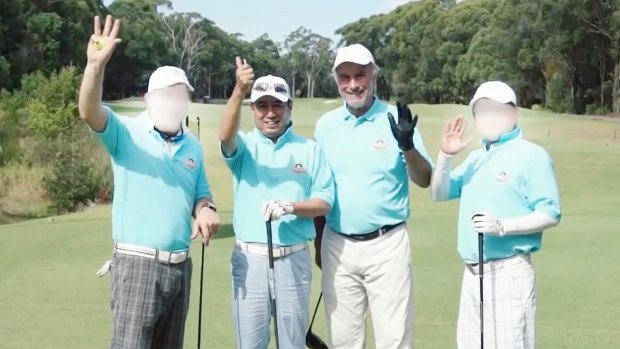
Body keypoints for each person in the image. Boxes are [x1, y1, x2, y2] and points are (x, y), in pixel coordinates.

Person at [78, 15, 221, 348]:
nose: (173, 102)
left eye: (179, 95)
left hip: (180, 267)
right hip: (138, 264)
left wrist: (205, 209)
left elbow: (201, 194)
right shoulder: (126, 133)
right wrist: (95, 67)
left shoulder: (193, 147)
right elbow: (89, 111)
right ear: (148, 99)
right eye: (165, 94)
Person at [313, 43, 433, 349]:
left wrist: (407, 146)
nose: (353, 84)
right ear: (337, 80)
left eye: (360, 75)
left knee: (394, 339)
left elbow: (424, 178)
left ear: (374, 75)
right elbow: (318, 186)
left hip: (387, 244)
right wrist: (318, 240)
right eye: (345, 77)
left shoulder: (398, 119)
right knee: (343, 340)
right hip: (336, 243)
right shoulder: (325, 126)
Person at [430, 81, 561, 349]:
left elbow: (550, 213)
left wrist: (502, 226)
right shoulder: (477, 157)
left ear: (514, 114)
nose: (489, 117)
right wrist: (445, 156)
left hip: (508, 272)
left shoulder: (532, 156)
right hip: (472, 272)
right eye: (482, 110)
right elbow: (439, 193)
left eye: (497, 110)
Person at [219, 57, 335, 349]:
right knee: (251, 344)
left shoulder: (309, 150)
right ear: (253, 110)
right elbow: (224, 136)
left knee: (292, 344)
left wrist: (291, 207)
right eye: (262, 106)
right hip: (250, 260)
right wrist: (238, 89)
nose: (270, 113)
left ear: (288, 108)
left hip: (293, 259)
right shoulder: (244, 146)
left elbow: (324, 202)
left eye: (277, 105)